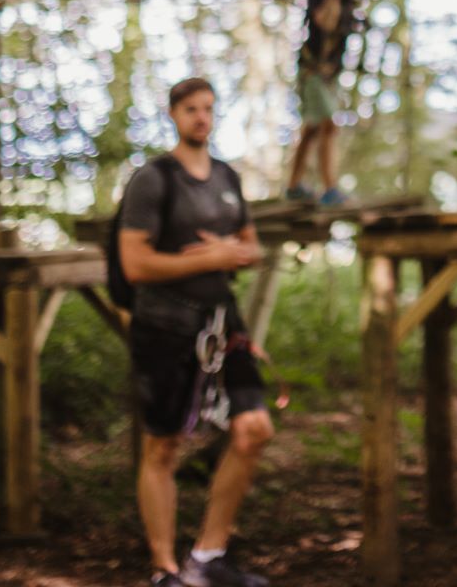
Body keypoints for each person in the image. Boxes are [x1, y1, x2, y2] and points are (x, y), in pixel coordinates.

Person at [119, 77, 276, 587]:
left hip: (222, 322)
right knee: (162, 447)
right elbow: (134, 264)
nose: (201, 117)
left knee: (254, 429)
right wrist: (211, 255)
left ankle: (208, 557)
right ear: (173, 114)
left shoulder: (226, 177)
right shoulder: (153, 179)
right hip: (164, 325)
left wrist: (229, 253)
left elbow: (251, 247)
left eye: (209, 108)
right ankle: (164, 571)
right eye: (191, 109)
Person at [284, 0, 436, 206]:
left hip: (329, 73)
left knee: (312, 128)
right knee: (328, 123)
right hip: (313, 71)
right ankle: (330, 188)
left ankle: (294, 185)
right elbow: (325, 23)